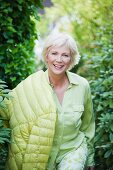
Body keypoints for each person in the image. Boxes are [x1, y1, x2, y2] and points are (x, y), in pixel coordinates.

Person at [0, 32, 95, 170]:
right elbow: (6, 109)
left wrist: (90, 158)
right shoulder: (30, 85)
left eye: (65, 55)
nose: (59, 59)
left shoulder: (82, 85)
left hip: (73, 150)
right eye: (54, 53)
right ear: (46, 56)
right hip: (42, 154)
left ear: (71, 59)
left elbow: (88, 125)